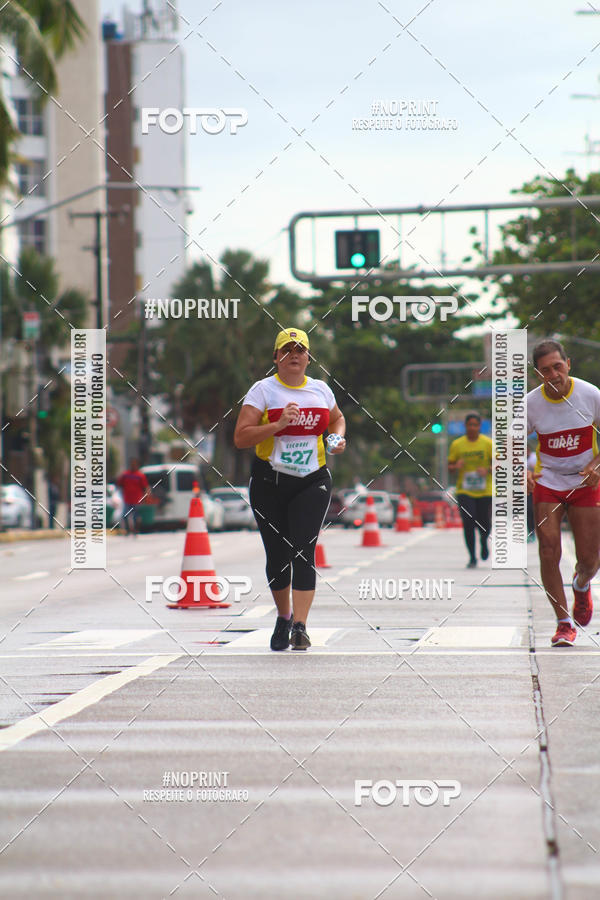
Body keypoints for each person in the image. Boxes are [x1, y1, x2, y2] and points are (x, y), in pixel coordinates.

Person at [234, 328, 346, 650]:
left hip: (312, 480)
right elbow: (241, 437)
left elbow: (337, 419)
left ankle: (300, 626)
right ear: (276, 357)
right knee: (277, 556)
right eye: (287, 350)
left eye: (300, 350)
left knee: (303, 550)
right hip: (269, 482)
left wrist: (336, 438)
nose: (294, 355)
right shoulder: (263, 391)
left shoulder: (320, 390)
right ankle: (284, 617)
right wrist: (277, 425)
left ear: (308, 358)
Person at [527, 339, 600, 647]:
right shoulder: (530, 404)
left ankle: (581, 586)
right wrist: (522, 470)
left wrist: (596, 465)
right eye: (545, 370)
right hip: (549, 482)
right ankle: (563, 623)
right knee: (547, 550)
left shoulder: (590, 394)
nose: (553, 375)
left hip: (585, 483)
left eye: (558, 367)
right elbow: (510, 443)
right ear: (538, 374)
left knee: (590, 560)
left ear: (568, 364)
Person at [447, 412, 493, 568]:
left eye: (475, 425)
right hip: (464, 490)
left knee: (484, 521)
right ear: (465, 426)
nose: (472, 428)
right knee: (468, 521)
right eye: (469, 425)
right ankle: (472, 557)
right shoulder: (457, 444)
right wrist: (456, 466)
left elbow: (500, 464)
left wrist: (487, 470)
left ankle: (484, 541)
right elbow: (449, 467)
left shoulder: (488, 443)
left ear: (479, 426)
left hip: (485, 490)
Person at [117, 458, 150, 536]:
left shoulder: (140, 475)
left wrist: (146, 496)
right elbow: (119, 484)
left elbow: (145, 487)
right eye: (132, 464)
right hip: (127, 499)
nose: (133, 465)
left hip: (137, 499)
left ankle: (136, 530)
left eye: (135, 464)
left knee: (136, 516)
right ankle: (127, 530)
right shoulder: (125, 475)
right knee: (125, 515)